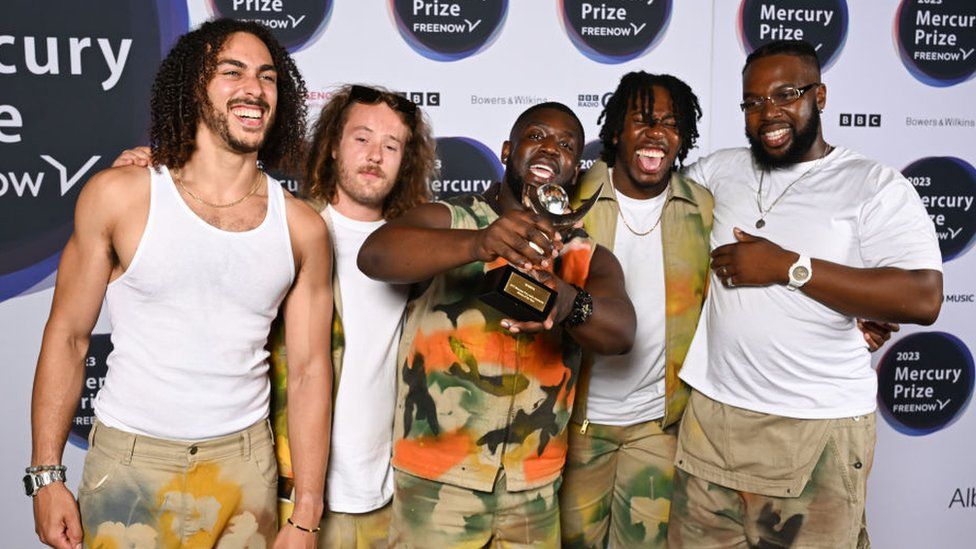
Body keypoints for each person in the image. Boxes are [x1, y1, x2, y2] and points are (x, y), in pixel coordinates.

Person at [28, 19, 333, 549]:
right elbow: (68, 338)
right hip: (128, 464)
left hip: (244, 467)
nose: (254, 89)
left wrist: (306, 512)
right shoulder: (121, 196)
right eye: (231, 72)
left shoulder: (303, 228)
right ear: (194, 87)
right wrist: (46, 476)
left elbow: (309, 372)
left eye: (267, 77)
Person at [669, 40, 943, 548]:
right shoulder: (718, 171)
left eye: (785, 94)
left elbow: (923, 297)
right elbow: (644, 205)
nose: (768, 112)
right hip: (711, 422)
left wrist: (788, 267)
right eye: (752, 102)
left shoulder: (872, 185)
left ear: (819, 95)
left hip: (814, 427)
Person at [358, 102, 637, 547]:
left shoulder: (588, 255)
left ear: (575, 171)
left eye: (566, 144)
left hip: (534, 491)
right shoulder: (450, 218)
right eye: (537, 136)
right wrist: (479, 242)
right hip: (437, 482)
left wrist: (568, 302)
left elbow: (621, 333)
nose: (551, 148)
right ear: (508, 150)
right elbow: (375, 255)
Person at [270, 84, 435, 548]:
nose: (375, 155)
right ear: (333, 145)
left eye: (391, 145)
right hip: (297, 500)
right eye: (361, 138)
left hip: (391, 497)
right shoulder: (289, 231)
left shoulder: (417, 250)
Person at [558, 72, 712, 548]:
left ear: (682, 136)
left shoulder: (702, 208)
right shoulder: (570, 201)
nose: (655, 134)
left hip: (657, 428)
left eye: (668, 123)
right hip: (576, 423)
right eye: (641, 120)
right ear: (616, 132)